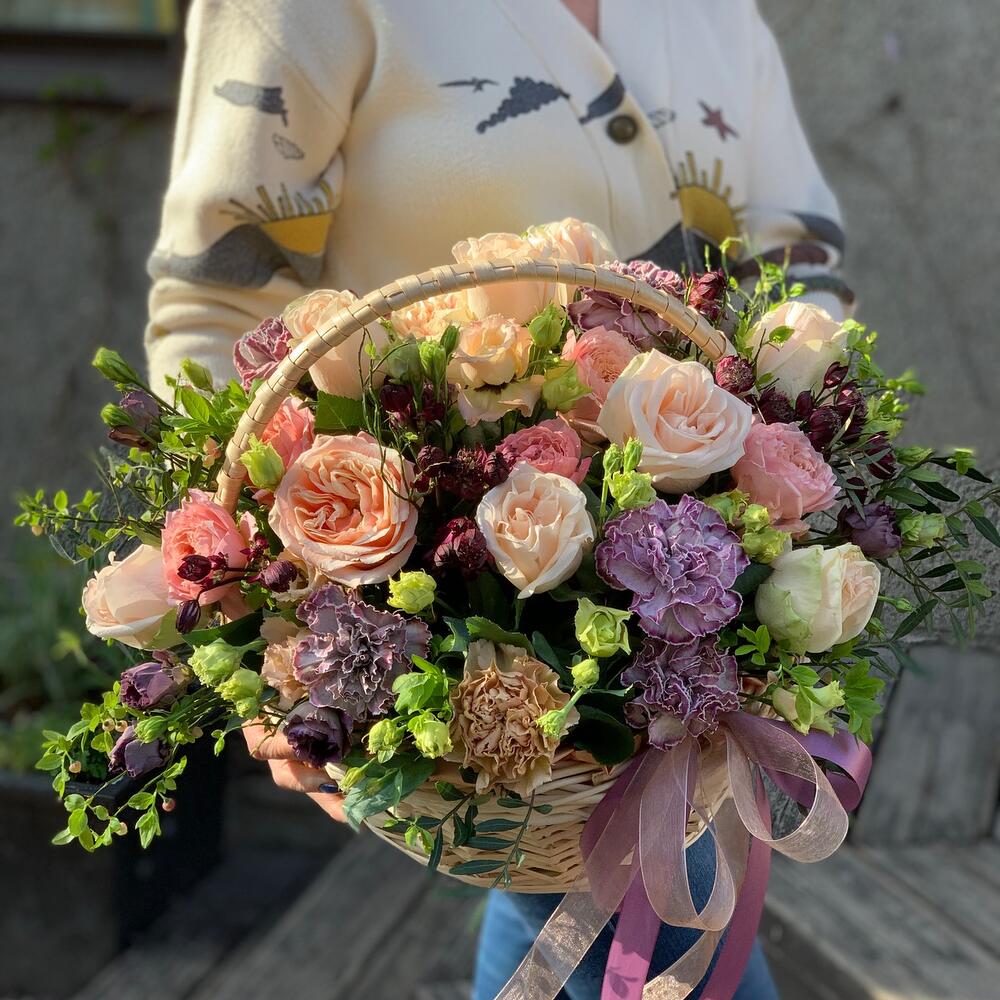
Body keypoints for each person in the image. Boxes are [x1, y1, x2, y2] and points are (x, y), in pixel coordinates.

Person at [149, 2, 849, 996]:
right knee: (612, 900)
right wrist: (249, 600)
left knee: (595, 901)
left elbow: (802, 269)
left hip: (692, 605)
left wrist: (791, 479)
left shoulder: (714, 17)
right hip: (429, 604)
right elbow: (215, 302)